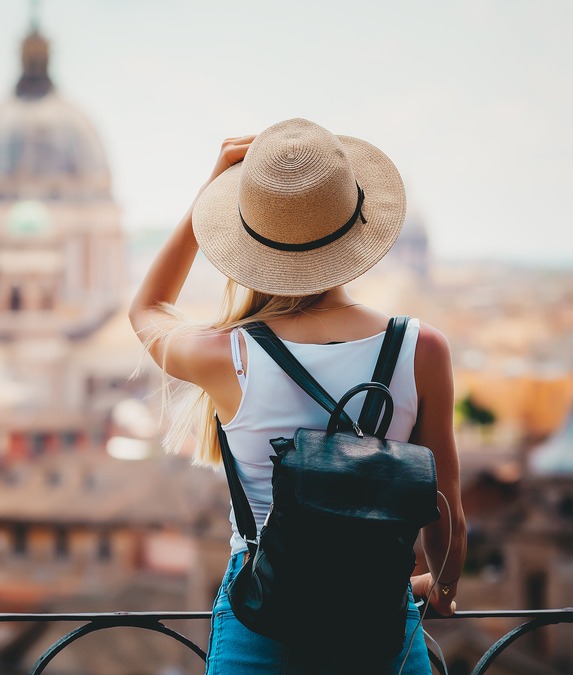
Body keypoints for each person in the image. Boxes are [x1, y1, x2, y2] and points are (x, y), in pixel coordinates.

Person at [128, 119, 466, 674]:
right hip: (380, 626)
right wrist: (444, 590)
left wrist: (204, 201)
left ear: (245, 237)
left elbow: (147, 310)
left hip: (261, 623)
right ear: (355, 227)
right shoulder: (422, 348)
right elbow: (445, 514)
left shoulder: (228, 355)